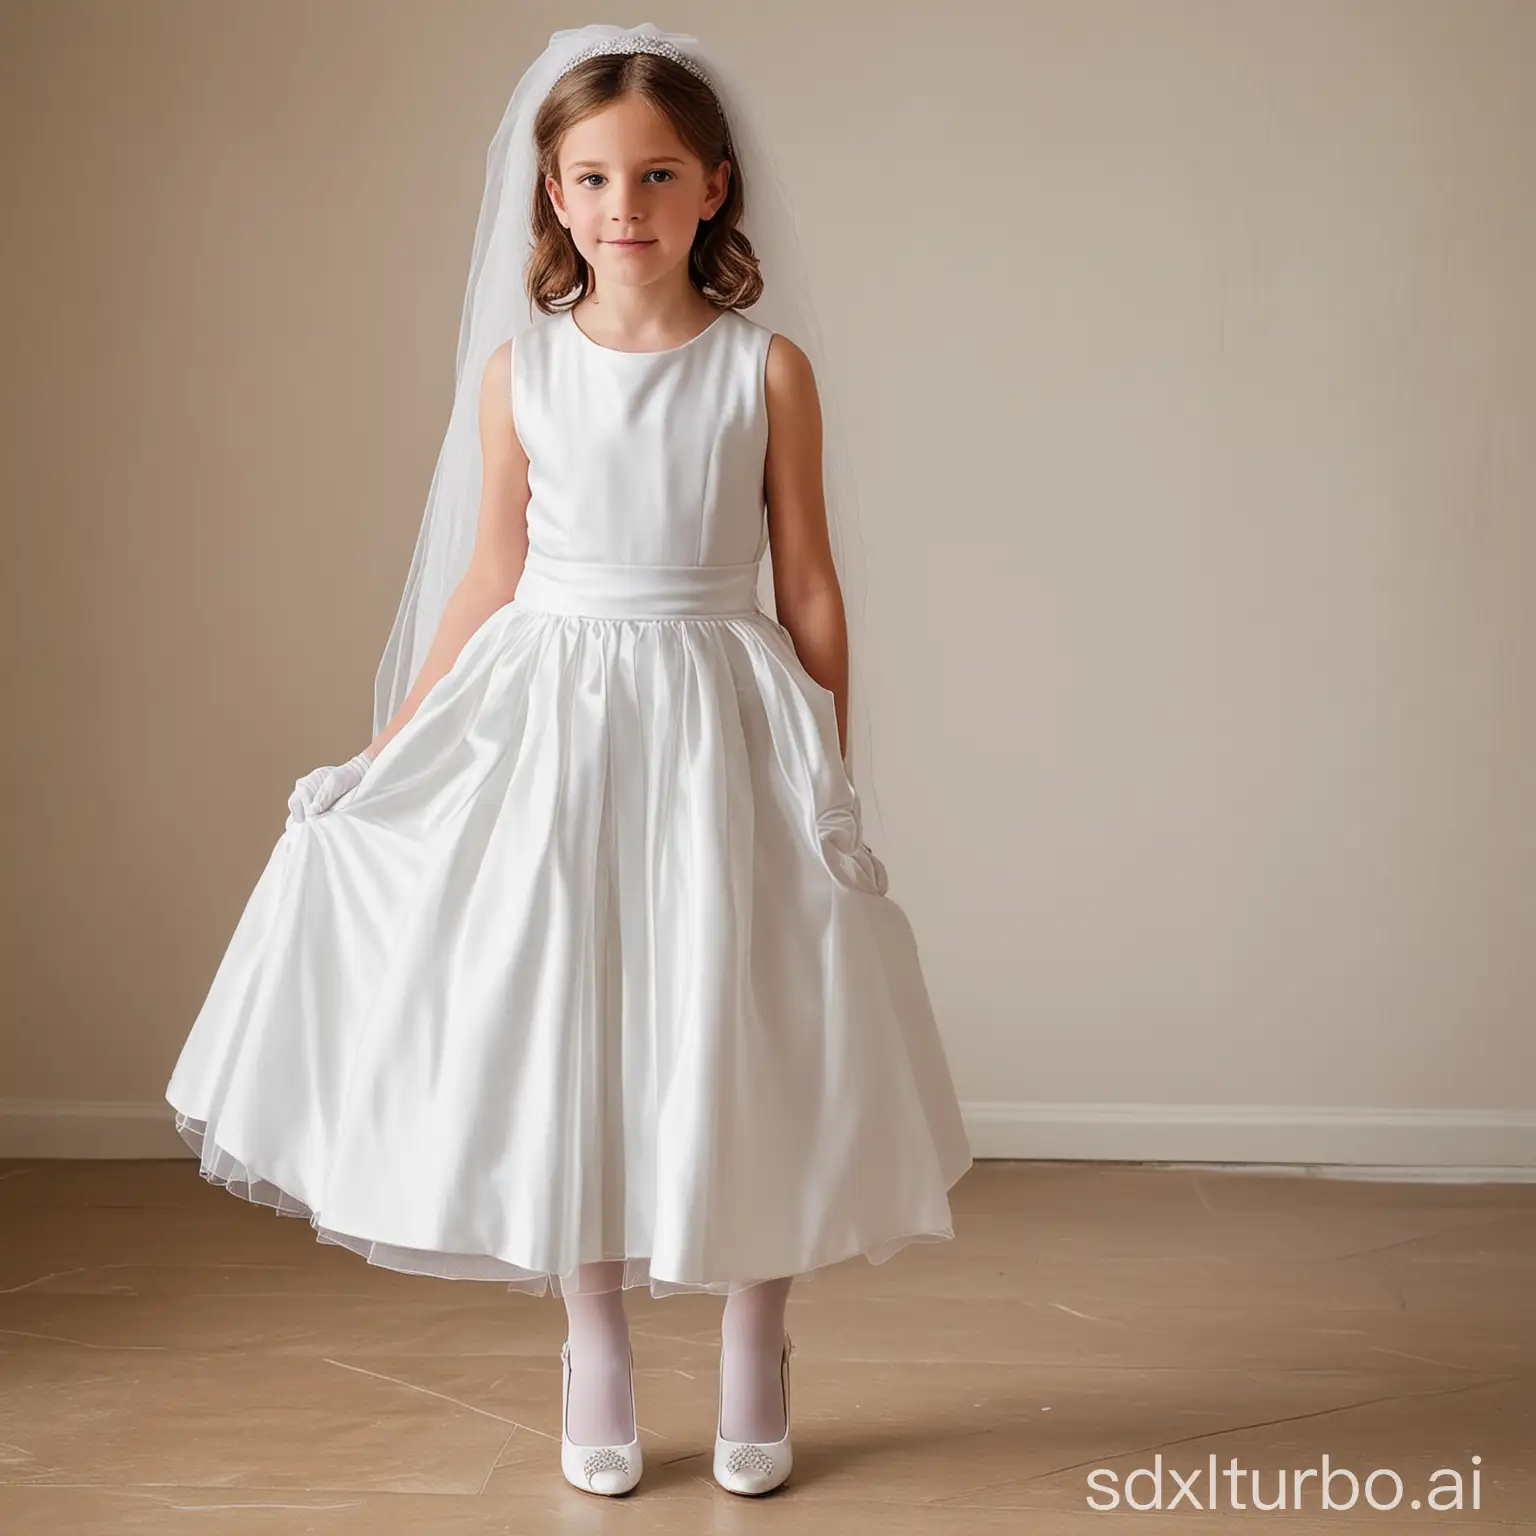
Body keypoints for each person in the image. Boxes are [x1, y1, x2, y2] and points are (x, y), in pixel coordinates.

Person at [164, 22, 972, 1500]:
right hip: (554, 715)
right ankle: (590, 1334)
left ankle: (756, 1333)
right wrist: (387, 749)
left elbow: (810, 590)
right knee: (576, 1013)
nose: (624, 204)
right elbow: (487, 576)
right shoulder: (521, 371)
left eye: (657, 173)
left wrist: (833, 780)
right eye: (591, 176)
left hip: (723, 712)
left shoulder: (763, 370)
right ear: (549, 194)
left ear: (716, 188)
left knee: (748, 1019)